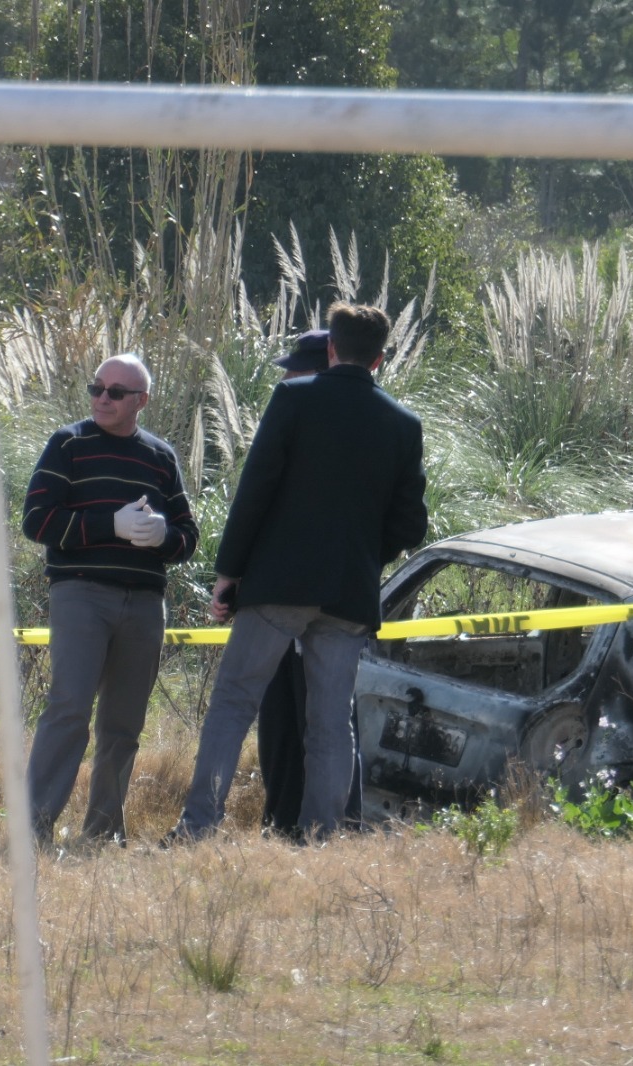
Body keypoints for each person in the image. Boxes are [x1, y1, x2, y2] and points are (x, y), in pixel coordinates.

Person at [171, 303, 428, 842]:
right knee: (331, 724)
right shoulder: (404, 425)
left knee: (234, 703)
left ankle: (199, 828)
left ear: (330, 348)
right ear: (380, 359)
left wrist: (229, 572)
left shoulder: (294, 398)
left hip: (278, 585)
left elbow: (255, 490)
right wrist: (359, 555)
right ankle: (321, 837)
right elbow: (410, 525)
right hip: (348, 595)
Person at [23, 353, 199, 848]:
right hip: (81, 592)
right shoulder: (69, 444)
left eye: (116, 393)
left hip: (144, 601)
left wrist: (164, 536)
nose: (103, 397)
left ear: (140, 401)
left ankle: (102, 833)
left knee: (124, 723)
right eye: (97, 388)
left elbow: (189, 537)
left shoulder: (161, 458)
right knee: (69, 709)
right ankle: (33, 828)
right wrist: (108, 526)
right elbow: (36, 521)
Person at [254, 329, 362, 835]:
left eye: (299, 368)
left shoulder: (367, 427)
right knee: (277, 720)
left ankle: (330, 827)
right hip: (274, 598)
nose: (288, 377)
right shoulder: (288, 418)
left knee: (327, 724)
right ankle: (279, 821)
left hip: (331, 604)